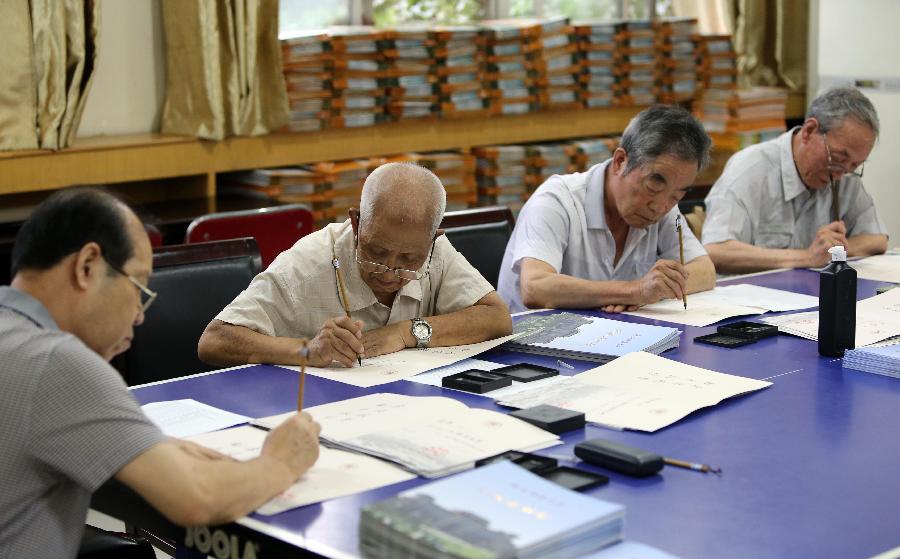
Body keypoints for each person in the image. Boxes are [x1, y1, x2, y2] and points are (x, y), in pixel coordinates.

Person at [0, 188, 321, 559]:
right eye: (139, 287)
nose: (139, 314)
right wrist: (281, 461)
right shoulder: (58, 361)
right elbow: (198, 500)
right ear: (87, 267)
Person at [198, 162, 512, 368]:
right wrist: (306, 349)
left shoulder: (435, 252)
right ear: (357, 222)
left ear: (432, 240)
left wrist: (406, 332)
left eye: (408, 260)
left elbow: (496, 317)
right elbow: (215, 340)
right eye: (376, 251)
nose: (389, 272)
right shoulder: (307, 263)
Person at [497, 104, 716, 313]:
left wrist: (653, 290)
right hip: (533, 342)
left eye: (677, 195)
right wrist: (634, 291)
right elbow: (535, 287)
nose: (660, 207)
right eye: (653, 186)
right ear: (620, 161)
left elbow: (705, 270)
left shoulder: (666, 207)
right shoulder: (556, 201)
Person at [702, 87, 888, 274]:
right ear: (809, 131)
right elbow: (716, 251)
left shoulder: (845, 176)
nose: (841, 174)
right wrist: (807, 257)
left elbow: (877, 238)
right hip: (749, 298)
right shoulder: (750, 169)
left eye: (855, 165)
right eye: (838, 158)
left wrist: (836, 250)